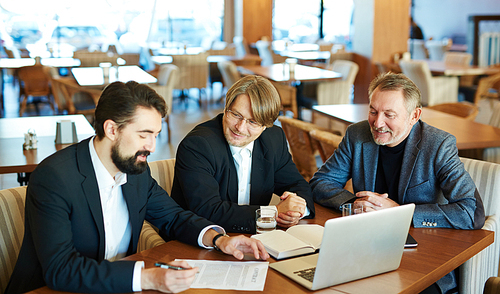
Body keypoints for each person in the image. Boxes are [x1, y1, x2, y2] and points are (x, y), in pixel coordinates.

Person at [6, 81, 269, 294]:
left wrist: (219, 239)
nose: (152, 147)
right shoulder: (54, 177)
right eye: (144, 135)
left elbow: (174, 217)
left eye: (155, 135)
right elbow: (61, 269)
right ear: (111, 129)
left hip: (118, 286)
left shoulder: (136, 171)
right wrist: (147, 278)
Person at [310, 72, 485, 294]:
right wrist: (355, 203)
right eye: (373, 111)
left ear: (414, 116)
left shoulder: (439, 145)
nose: (377, 122)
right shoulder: (357, 134)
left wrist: (399, 212)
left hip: (424, 257)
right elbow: (320, 182)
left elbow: (472, 212)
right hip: (365, 249)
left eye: (389, 114)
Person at [171, 75, 315, 234]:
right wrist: (273, 213)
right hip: (199, 241)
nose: (240, 127)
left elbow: (298, 185)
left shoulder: (274, 139)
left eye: (252, 122)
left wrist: (296, 210)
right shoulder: (198, 145)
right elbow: (208, 211)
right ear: (226, 108)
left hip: (255, 239)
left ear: (265, 126)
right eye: (236, 115)